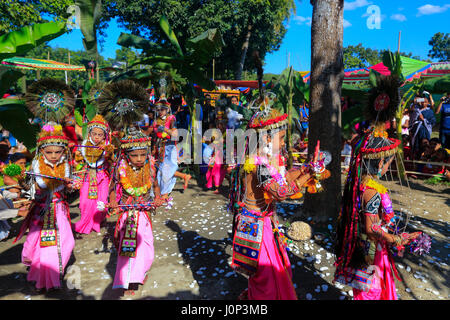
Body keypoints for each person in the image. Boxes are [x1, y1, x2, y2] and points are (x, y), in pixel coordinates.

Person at [228, 94, 329, 300]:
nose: (284, 143)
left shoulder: (265, 162)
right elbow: (281, 193)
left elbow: (284, 178)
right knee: (267, 277)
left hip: (265, 223)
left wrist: (305, 169)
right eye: (281, 138)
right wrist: (308, 175)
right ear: (266, 138)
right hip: (257, 226)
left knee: (274, 273)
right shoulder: (258, 165)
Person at [334, 127, 422, 300]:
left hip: (360, 247)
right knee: (372, 291)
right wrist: (395, 239)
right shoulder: (372, 193)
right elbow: (371, 228)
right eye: (387, 162)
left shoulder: (357, 185)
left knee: (366, 289)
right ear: (380, 163)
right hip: (371, 252)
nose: (388, 166)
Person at [13, 122, 76, 291]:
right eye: (49, 152)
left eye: (58, 151)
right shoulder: (36, 165)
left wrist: (70, 186)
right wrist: (62, 183)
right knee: (44, 244)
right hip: (42, 211)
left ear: (63, 151)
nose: (54, 155)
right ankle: (46, 277)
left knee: (67, 241)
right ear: (41, 151)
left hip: (60, 209)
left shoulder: (65, 165)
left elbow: (65, 187)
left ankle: (51, 272)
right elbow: (41, 185)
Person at [74, 115, 114, 235]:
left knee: (101, 202)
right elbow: (78, 163)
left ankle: (97, 222)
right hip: (87, 177)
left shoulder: (107, 146)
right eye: (94, 134)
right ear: (89, 134)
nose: (96, 137)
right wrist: (78, 158)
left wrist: (108, 151)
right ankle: (85, 223)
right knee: (85, 202)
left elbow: (112, 162)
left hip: (102, 176)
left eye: (100, 134)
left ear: (104, 135)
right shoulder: (83, 146)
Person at [151, 96, 190, 199]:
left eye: (162, 109)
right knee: (160, 171)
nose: (160, 112)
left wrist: (164, 129)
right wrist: (154, 148)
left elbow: (175, 135)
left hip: (170, 147)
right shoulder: (156, 121)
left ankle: (165, 194)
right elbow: (154, 136)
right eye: (158, 109)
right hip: (160, 148)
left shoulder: (171, 118)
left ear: (167, 109)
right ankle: (161, 192)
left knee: (167, 171)